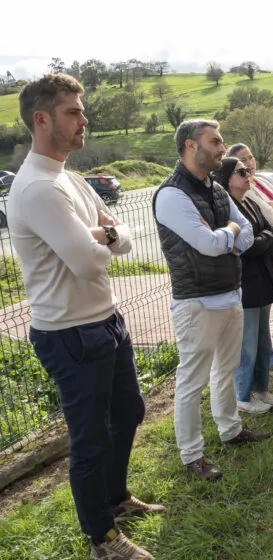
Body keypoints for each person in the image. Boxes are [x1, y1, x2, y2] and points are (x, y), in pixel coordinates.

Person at [9, 73, 161, 560]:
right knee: (90, 439)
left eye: (81, 110)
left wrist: (102, 236)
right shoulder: (36, 189)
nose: (84, 120)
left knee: (130, 411)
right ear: (42, 119)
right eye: (73, 112)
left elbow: (126, 237)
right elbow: (89, 259)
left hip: (106, 319)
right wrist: (103, 238)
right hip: (69, 333)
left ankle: (116, 500)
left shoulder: (70, 179)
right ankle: (103, 539)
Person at [154, 119, 270, 482]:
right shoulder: (172, 195)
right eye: (215, 141)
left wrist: (230, 235)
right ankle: (192, 455)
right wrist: (231, 233)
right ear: (191, 145)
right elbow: (210, 244)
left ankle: (231, 429)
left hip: (229, 295)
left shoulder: (217, 191)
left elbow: (246, 234)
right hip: (197, 303)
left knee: (226, 369)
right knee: (192, 380)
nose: (223, 148)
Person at [214, 157, 273, 414]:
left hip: (263, 279)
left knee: (264, 340)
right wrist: (262, 239)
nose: (247, 174)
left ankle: (261, 389)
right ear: (227, 177)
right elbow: (247, 247)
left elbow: (270, 231)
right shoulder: (226, 209)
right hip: (246, 283)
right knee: (248, 343)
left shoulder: (251, 202)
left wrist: (261, 239)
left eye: (247, 170)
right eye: (240, 171)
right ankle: (243, 395)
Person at [226, 143, 273, 370]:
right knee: (264, 313)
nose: (250, 163)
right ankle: (271, 356)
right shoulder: (244, 192)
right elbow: (271, 217)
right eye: (243, 162)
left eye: (251, 158)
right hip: (266, 256)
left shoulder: (260, 182)